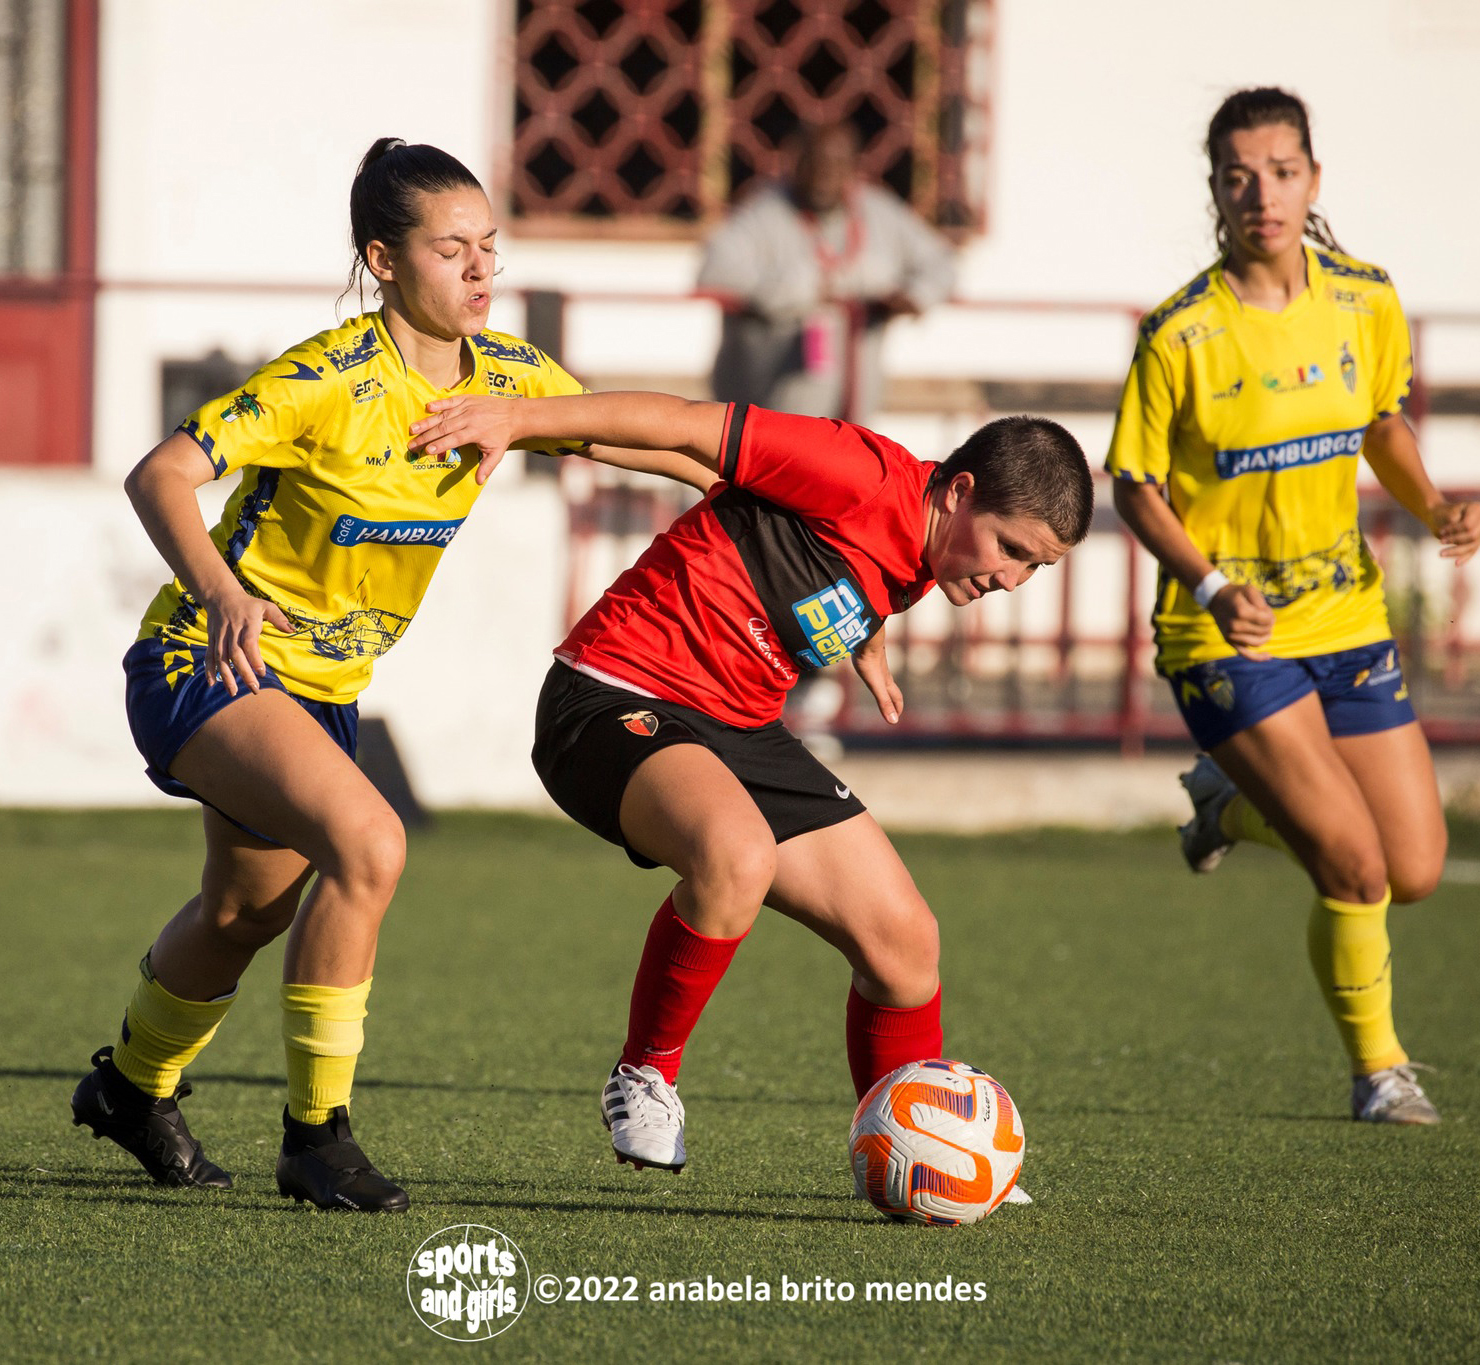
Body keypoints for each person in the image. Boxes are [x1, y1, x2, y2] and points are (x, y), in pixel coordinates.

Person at [70, 138, 708, 1211]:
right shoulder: (326, 379)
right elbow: (161, 474)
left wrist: (772, 485)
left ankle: (129, 1088)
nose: (478, 271)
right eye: (450, 248)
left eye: (489, 249)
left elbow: (642, 439)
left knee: (241, 914)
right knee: (370, 844)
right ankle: (316, 1137)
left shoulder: (506, 379)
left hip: (320, 690)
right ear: (383, 259)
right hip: (206, 657)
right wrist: (226, 591)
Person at [407, 388, 1092, 1188]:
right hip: (612, 695)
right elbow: (692, 432)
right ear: (962, 490)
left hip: (735, 730)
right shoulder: (861, 472)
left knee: (906, 944)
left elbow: (791, 543)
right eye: (1011, 548)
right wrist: (521, 419)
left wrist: (865, 638)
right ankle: (645, 1075)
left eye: (1036, 568)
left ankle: (928, 1148)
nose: (1013, 578)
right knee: (738, 856)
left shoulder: (922, 553)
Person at [1106, 88, 1480, 1125]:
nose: (1259, 194)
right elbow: (1134, 484)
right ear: (1214, 191)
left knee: (1410, 868)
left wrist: (1433, 503)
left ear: (1312, 181)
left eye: (1279, 171)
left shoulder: (1364, 299)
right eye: (1237, 174)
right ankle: (1380, 1074)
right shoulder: (1180, 332)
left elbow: (1380, 422)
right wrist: (1209, 582)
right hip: (1225, 634)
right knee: (1352, 865)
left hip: (1345, 620)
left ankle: (1221, 804)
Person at [698, 122, 955, 424]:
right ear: (796, 163)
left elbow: (941, 263)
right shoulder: (762, 212)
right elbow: (713, 273)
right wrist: (800, 291)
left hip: (856, 398)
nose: (825, 174)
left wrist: (913, 296)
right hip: (769, 406)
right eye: (816, 162)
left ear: (853, 166)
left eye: (836, 163)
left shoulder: (878, 212)